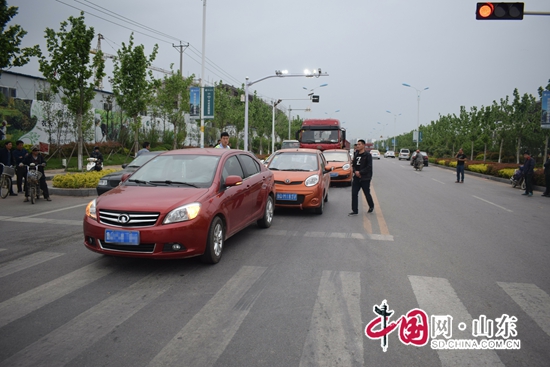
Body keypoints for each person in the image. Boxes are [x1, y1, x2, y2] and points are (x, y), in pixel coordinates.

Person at [349, 139, 374, 216]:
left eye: (359, 144)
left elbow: (369, 167)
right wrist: (355, 171)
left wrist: (360, 172)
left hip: (365, 178)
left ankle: (371, 205)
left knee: (366, 193)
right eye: (357, 144)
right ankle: (355, 210)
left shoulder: (367, 155)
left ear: (363, 145)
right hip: (356, 177)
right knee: (354, 193)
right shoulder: (356, 154)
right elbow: (353, 165)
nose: (358, 146)